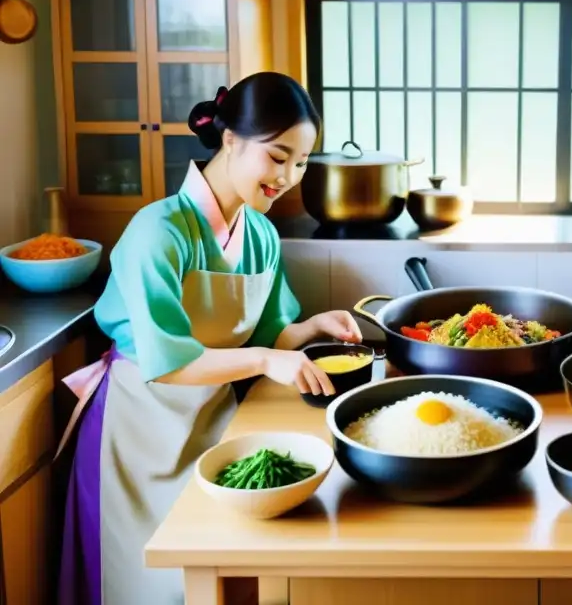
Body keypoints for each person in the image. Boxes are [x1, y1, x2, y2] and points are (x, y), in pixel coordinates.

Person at [57, 71, 363, 605]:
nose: (288, 176)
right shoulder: (158, 231)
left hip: (211, 424)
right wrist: (268, 360)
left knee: (207, 581)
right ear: (229, 140)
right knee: (137, 584)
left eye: (301, 162)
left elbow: (268, 335)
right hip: (135, 431)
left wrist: (311, 328)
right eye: (277, 156)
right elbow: (169, 362)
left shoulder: (261, 234)